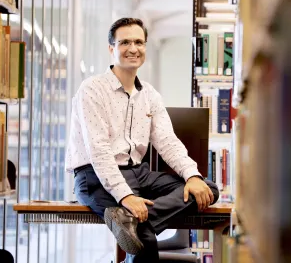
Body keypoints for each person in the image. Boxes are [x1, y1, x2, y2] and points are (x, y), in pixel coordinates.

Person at [65, 17, 219, 263]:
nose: (133, 48)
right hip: (94, 176)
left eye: (138, 42)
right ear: (111, 48)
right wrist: (126, 197)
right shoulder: (91, 89)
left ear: (145, 46)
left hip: (138, 173)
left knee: (207, 189)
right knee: (144, 238)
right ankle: (134, 223)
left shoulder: (149, 95)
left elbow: (167, 141)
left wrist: (191, 175)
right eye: (124, 42)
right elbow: (99, 152)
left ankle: (130, 221)